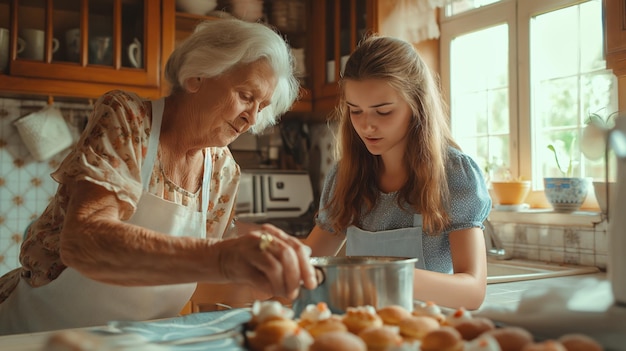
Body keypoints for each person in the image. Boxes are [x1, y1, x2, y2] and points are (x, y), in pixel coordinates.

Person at [0, 18, 317, 335]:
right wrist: (224, 259)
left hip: (133, 341)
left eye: (261, 106)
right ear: (197, 75)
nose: (251, 118)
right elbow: (83, 242)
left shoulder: (224, 171)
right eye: (246, 95)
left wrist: (267, 281)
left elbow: (198, 278)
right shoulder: (128, 117)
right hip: (41, 332)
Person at [304, 35, 491, 310]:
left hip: (427, 335)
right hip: (362, 332)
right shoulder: (345, 176)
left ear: (416, 106)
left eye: (383, 112)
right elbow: (308, 264)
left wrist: (385, 276)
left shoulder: (453, 176)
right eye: (356, 111)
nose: (367, 126)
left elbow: (472, 292)